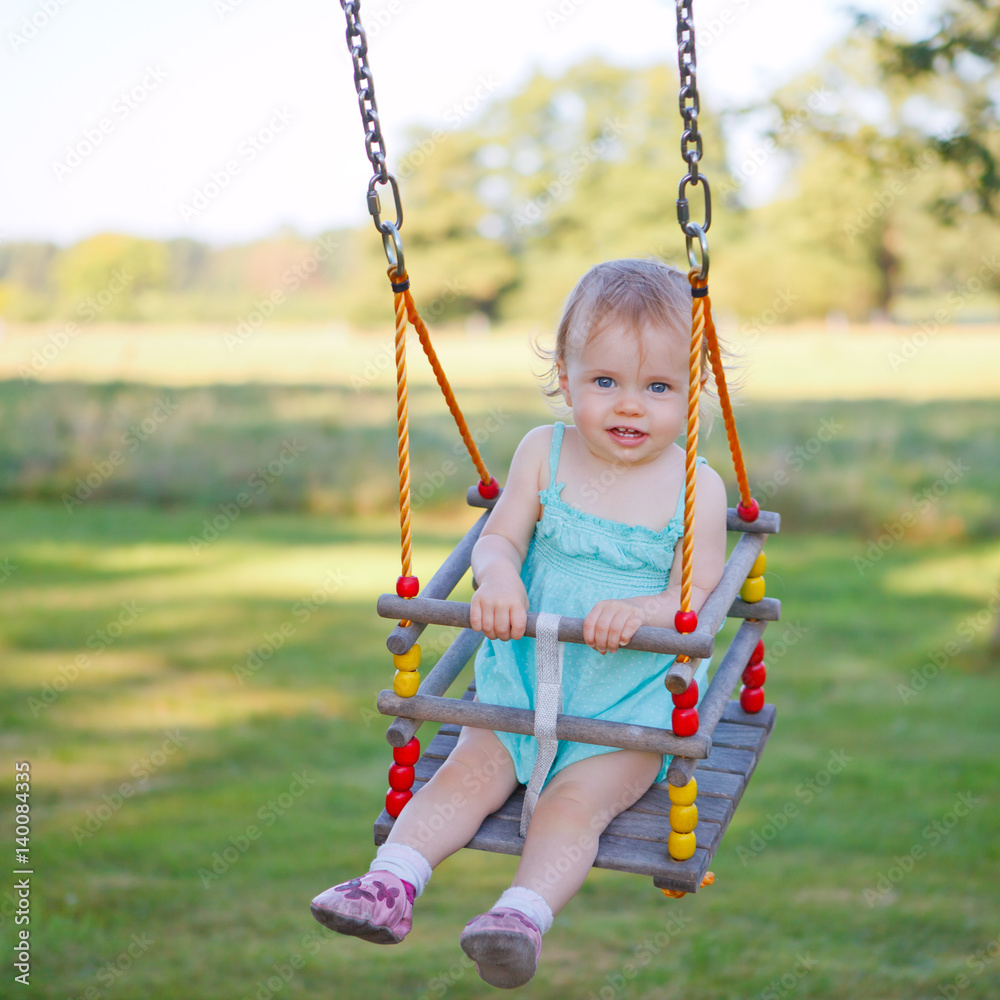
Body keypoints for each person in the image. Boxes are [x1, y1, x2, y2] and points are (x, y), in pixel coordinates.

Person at [310, 258, 727, 989]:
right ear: (566, 379)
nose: (630, 406)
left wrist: (642, 611)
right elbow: (498, 540)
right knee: (464, 774)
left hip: (624, 706)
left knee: (573, 807)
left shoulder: (696, 487)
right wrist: (498, 576)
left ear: (693, 393)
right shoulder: (544, 452)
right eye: (605, 382)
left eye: (658, 387)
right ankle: (388, 884)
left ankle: (519, 917)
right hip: (519, 684)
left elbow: (695, 591)